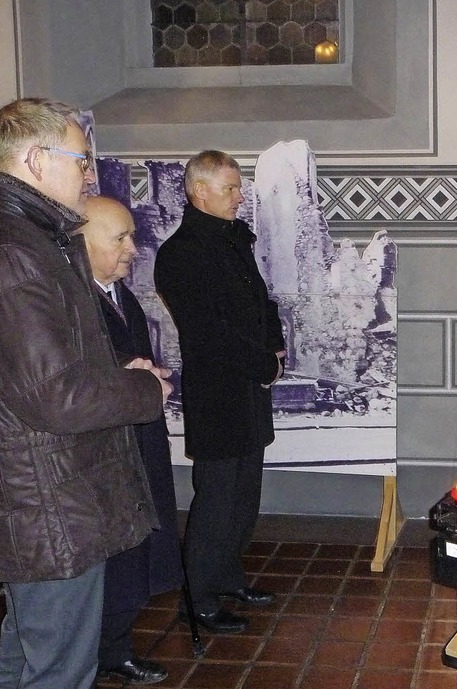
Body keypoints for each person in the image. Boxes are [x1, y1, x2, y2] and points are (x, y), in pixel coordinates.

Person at [0, 97, 172, 689]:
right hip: (46, 500)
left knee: (23, 656)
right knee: (58, 671)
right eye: (82, 159)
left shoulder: (33, 238)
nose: (91, 173)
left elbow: (38, 367)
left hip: (43, 492)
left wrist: (115, 368)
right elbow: (57, 398)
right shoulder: (18, 252)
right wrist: (143, 387)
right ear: (36, 158)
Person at [154, 150, 285, 634]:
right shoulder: (181, 253)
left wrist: (276, 349)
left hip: (250, 387)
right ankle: (200, 596)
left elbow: (260, 303)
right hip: (218, 393)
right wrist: (262, 365)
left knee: (245, 492)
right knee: (215, 497)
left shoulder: (234, 242)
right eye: (229, 188)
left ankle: (230, 576)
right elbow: (207, 331)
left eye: (239, 186)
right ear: (198, 192)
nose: (239, 196)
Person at [79, 196, 183, 686]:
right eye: (119, 238)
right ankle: (105, 650)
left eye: (131, 236)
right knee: (114, 556)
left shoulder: (121, 295)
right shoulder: (72, 302)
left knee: (138, 547)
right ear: (82, 241)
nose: (133, 249)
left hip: (139, 441)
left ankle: (117, 642)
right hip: (104, 452)